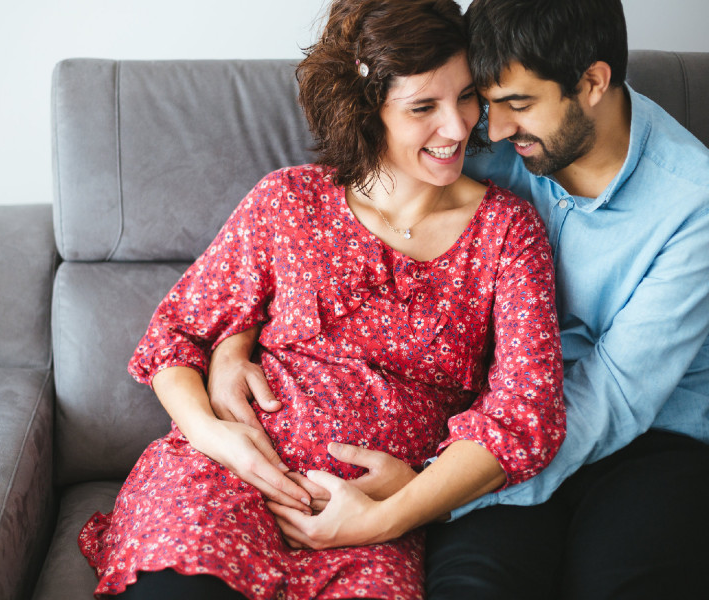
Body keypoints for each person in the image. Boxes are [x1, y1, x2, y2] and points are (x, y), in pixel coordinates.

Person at [211, 0, 709, 598]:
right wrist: (232, 339)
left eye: (518, 105)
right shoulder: (480, 129)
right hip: (491, 426)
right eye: (486, 101)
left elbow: (616, 394)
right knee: (473, 584)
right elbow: (310, 228)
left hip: (646, 436)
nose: (488, 132)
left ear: (593, 83)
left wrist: (424, 491)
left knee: (621, 581)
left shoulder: (693, 207)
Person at [77, 0, 567, 598]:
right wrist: (213, 434)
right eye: (424, 107)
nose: (460, 127)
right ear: (367, 109)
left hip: (366, 525)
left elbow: (527, 414)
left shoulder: (507, 232)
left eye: (467, 96)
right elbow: (177, 335)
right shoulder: (289, 201)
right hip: (219, 481)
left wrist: (401, 505)